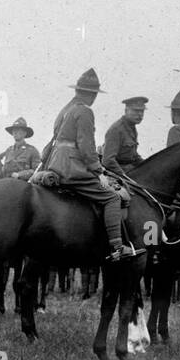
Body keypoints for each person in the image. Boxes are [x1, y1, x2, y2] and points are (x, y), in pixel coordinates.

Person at [33, 68, 139, 261]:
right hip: (72, 167)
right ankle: (117, 247)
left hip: (56, 163)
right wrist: (99, 172)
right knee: (112, 198)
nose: (94, 98)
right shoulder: (84, 111)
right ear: (92, 94)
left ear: (77, 91)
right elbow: (86, 146)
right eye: (94, 95)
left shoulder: (66, 110)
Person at [102, 96, 146, 177]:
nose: (140, 115)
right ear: (126, 111)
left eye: (142, 111)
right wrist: (124, 176)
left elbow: (133, 155)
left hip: (130, 170)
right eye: (136, 111)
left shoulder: (131, 127)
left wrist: (148, 164)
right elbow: (108, 161)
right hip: (117, 174)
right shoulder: (116, 129)